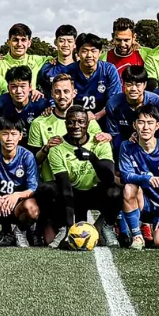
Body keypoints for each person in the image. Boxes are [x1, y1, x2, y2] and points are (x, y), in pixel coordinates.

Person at [37, 105, 122, 248]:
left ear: (87, 124)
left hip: (94, 192)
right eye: (71, 122)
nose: (76, 126)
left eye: (81, 122)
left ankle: (104, 226)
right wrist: (71, 230)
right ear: (65, 124)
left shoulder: (100, 142)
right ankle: (62, 228)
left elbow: (109, 178)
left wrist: (92, 158)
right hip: (72, 194)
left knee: (116, 191)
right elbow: (65, 189)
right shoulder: (57, 147)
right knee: (46, 189)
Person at [118, 106, 159, 250]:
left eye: (150, 122)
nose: (145, 127)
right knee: (129, 187)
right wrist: (146, 179)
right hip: (144, 204)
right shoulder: (126, 146)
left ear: (157, 126)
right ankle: (137, 235)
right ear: (134, 125)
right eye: (141, 122)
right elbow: (125, 175)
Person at [27, 74, 108, 181]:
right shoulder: (39, 123)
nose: (62, 96)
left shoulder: (88, 121)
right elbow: (33, 162)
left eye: (66, 91)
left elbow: (100, 149)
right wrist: (46, 148)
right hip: (55, 185)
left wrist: (107, 136)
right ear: (51, 94)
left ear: (74, 93)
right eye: (57, 92)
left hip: (87, 186)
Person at [0, 117, 40, 249]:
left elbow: (33, 188)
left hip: (17, 205)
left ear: (20, 136)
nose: (9, 138)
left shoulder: (27, 156)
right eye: (5, 134)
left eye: (14, 134)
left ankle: (20, 231)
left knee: (33, 208)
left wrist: (17, 195)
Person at [104, 65, 159, 148]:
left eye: (138, 85)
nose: (133, 89)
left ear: (145, 85)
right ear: (123, 84)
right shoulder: (113, 103)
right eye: (129, 84)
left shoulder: (156, 101)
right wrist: (128, 143)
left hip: (152, 145)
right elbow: (113, 134)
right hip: (124, 145)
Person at [0, 65, 50, 145]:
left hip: (35, 149)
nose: (18, 91)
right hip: (8, 148)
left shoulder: (41, 104)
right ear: (8, 87)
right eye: (14, 86)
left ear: (30, 87)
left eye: (23, 86)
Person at [69, 33, 122, 122]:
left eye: (93, 51)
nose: (89, 55)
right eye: (85, 51)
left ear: (100, 52)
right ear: (78, 52)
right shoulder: (68, 71)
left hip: (104, 116)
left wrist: (97, 116)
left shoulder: (109, 69)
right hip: (75, 118)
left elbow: (114, 100)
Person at [0, 23, 49, 88]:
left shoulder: (37, 60)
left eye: (23, 40)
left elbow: (60, 59)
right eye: (15, 40)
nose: (19, 44)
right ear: (9, 42)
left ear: (29, 43)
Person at [37, 24, 79, 94]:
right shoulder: (46, 69)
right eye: (62, 41)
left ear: (74, 44)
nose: (65, 44)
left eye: (69, 41)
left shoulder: (81, 68)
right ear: (55, 42)